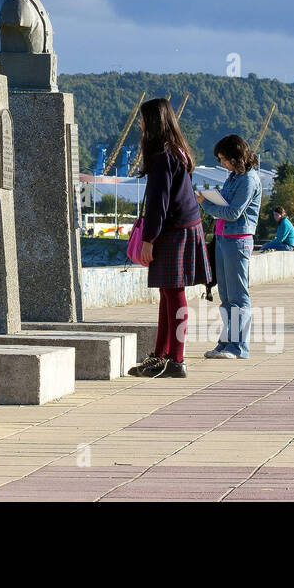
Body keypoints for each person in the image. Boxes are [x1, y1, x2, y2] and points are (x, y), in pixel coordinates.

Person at [126, 98, 211, 379]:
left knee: (173, 294)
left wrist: (148, 238)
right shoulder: (177, 151)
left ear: (153, 123)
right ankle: (161, 355)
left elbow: (158, 203)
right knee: (168, 293)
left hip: (175, 231)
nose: (140, 125)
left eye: (143, 120)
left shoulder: (163, 156)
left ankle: (176, 358)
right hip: (185, 227)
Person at [196, 134, 262, 360]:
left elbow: (234, 212)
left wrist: (206, 205)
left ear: (237, 156)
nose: (223, 164)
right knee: (225, 295)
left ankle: (239, 347)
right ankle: (226, 343)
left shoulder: (249, 180)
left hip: (238, 239)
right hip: (223, 238)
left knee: (238, 295)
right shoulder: (234, 177)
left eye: (225, 159)